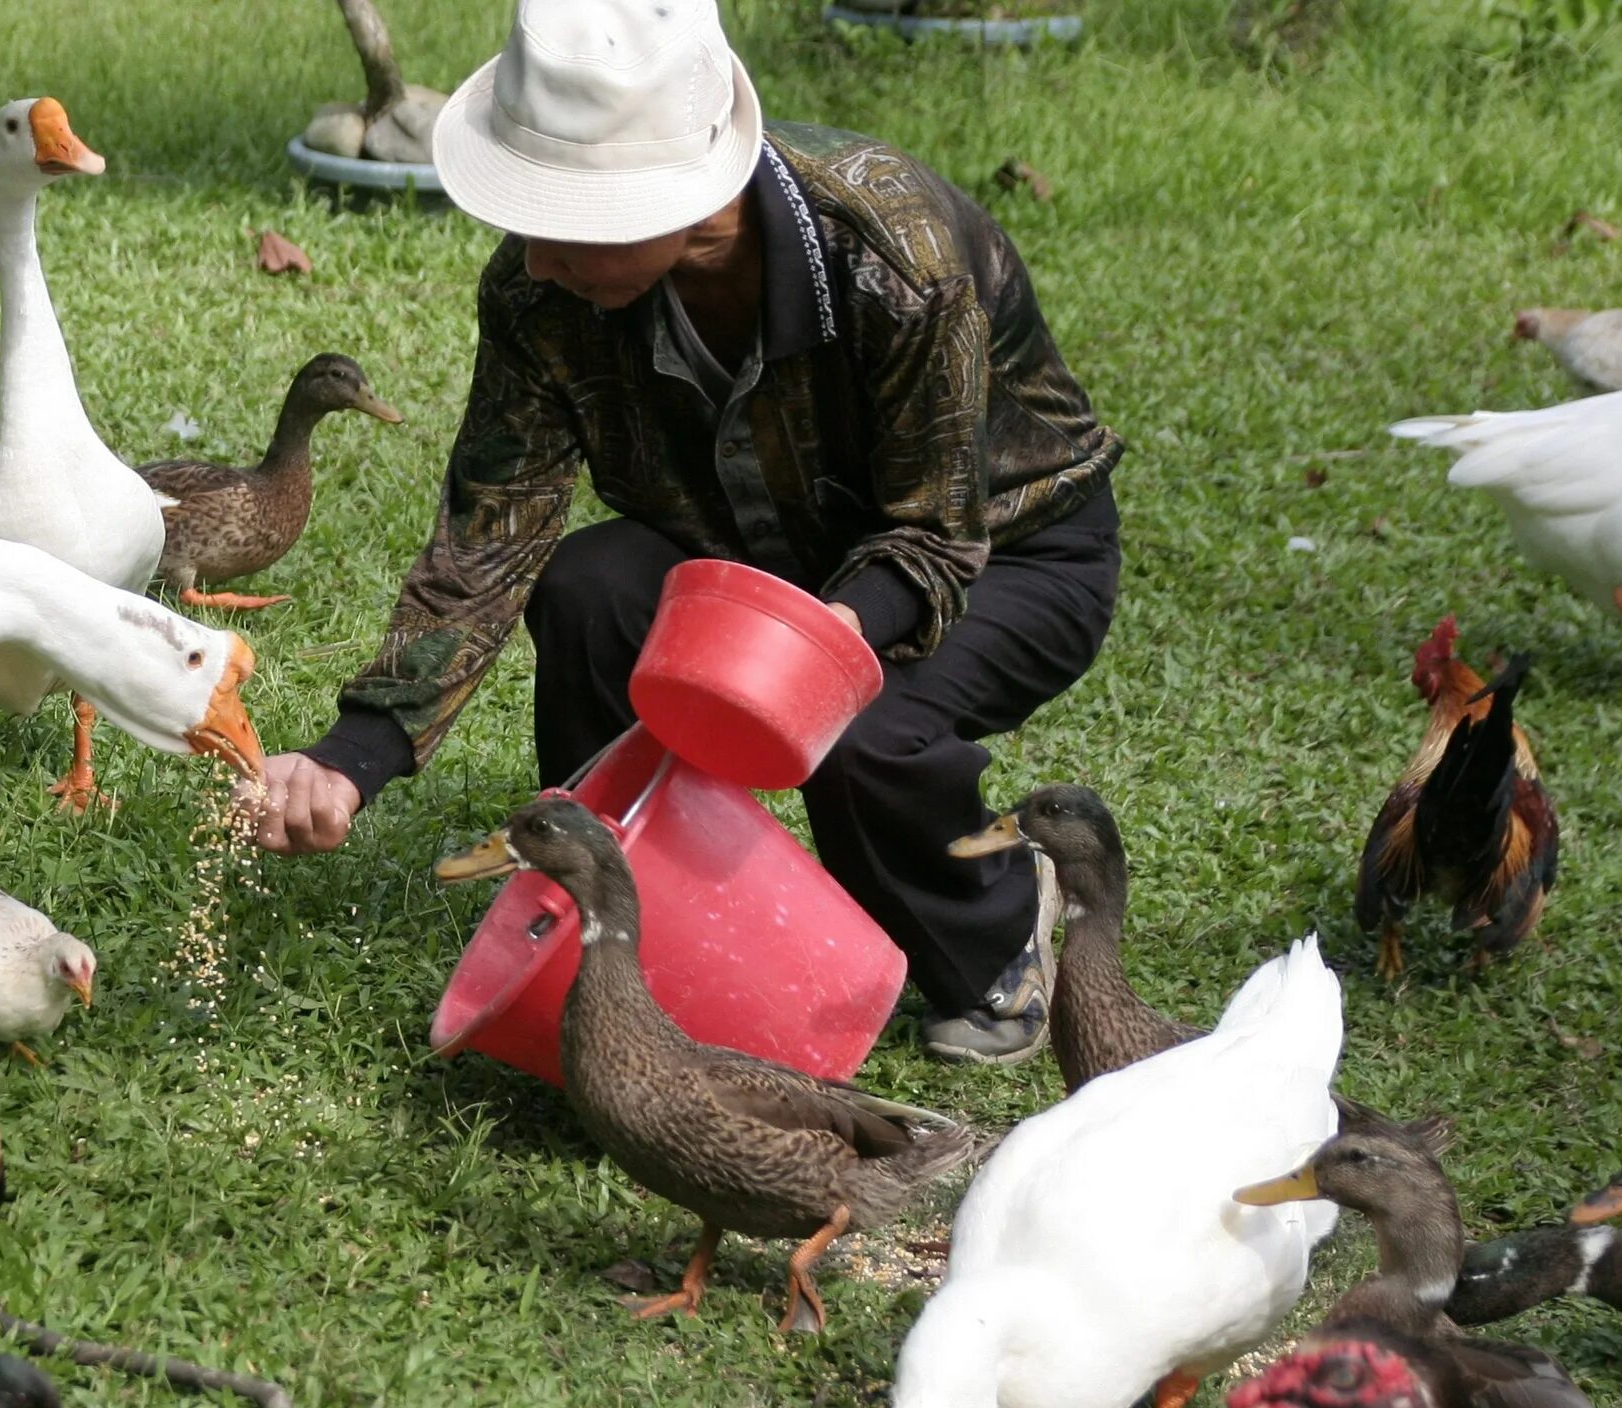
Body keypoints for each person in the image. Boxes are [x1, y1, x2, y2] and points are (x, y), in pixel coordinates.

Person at [246, 0, 1122, 1064]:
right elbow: (492, 534)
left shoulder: (897, 254)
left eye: (560, 219)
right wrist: (353, 756)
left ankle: (993, 931)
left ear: (683, 199)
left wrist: (792, 661)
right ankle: (618, 919)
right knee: (591, 587)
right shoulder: (542, 293)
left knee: (859, 730)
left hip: (1008, 552)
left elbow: (935, 539)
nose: (532, 254)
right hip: (763, 546)